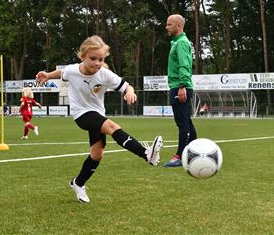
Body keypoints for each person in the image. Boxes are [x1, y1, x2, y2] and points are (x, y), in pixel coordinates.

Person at [36, 35, 163, 203]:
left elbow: (126, 86)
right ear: (82, 57)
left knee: (97, 155)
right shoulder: (73, 70)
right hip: (81, 114)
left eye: (101, 59)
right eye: (92, 58)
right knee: (111, 126)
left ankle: (78, 183)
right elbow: (62, 73)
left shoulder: (104, 74)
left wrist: (130, 92)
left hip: (97, 114)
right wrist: (47, 75)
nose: (97, 63)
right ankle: (147, 154)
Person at [164, 14, 197, 167]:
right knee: (186, 121)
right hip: (178, 86)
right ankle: (195, 151)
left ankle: (179, 156)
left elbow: (184, 65)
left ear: (178, 26)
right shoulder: (176, 43)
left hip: (180, 87)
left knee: (182, 123)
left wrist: (182, 85)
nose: (166, 27)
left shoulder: (182, 43)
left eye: (169, 24)